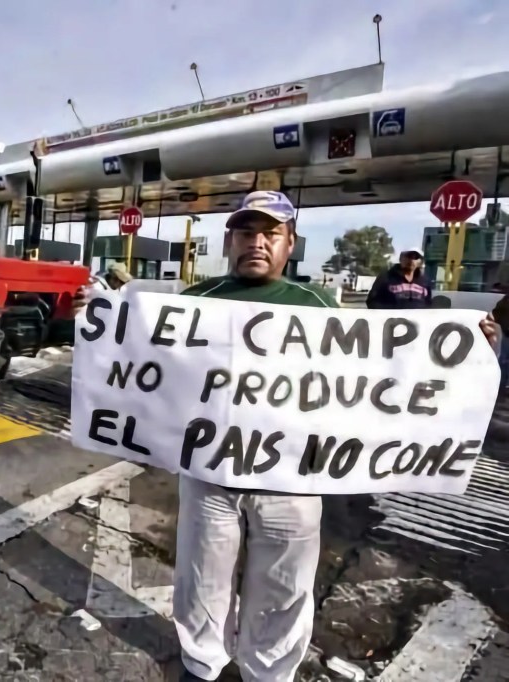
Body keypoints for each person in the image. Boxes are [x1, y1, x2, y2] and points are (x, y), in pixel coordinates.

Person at [73, 191, 499, 680]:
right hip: (211, 479)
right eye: (247, 232)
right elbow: (141, 357)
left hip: (292, 484)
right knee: (202, 581)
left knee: (283, 586)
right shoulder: (196, 302)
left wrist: (472, 349)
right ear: (230, 240)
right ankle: (201, 664)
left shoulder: (320, 305)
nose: (258, 242)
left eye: (271, 233)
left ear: (289, 243)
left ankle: (268, 673)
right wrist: (97, 318)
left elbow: (384, 370)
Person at [366, 247, 432, 309]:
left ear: (420, 261)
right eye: (408, 256)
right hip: (392, 320)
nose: (411, 260)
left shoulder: (425, 281)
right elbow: (372, 302)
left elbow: (429, 304)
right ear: (401, 258)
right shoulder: (385, 277)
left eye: (415, 257)